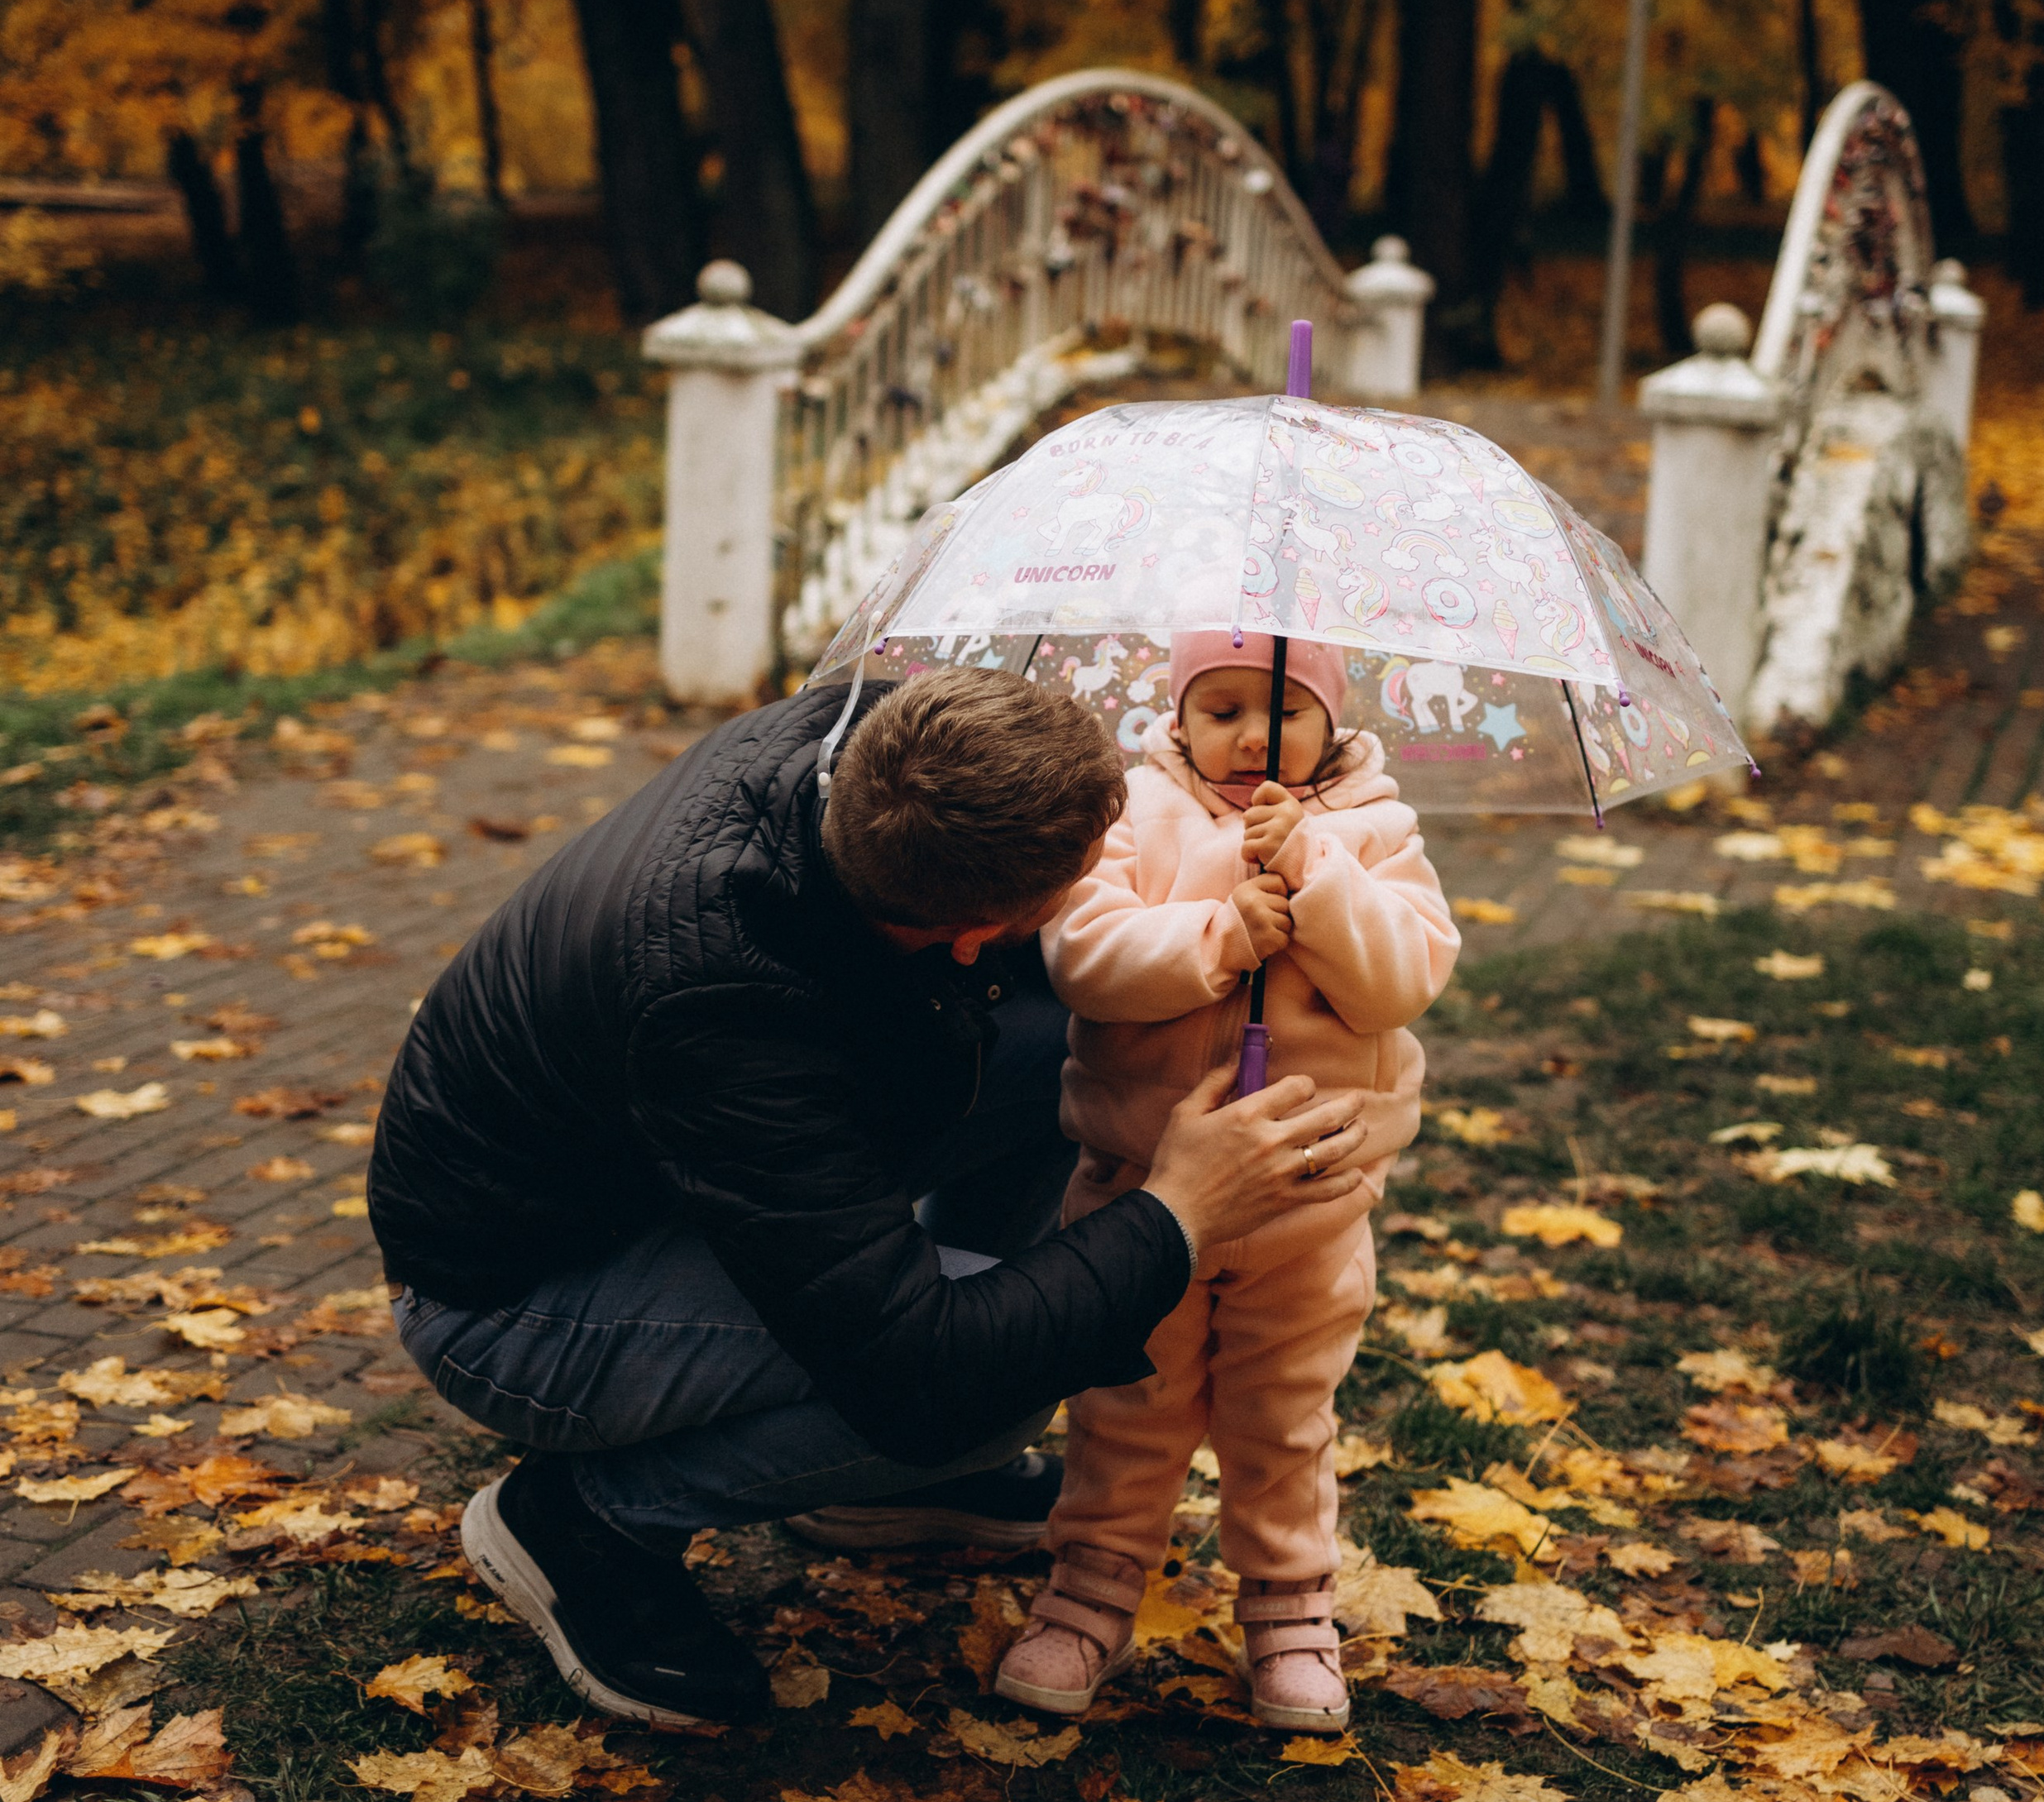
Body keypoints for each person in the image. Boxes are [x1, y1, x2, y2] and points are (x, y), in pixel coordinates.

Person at [366, 665, 1375, 1730]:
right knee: (992, 1385)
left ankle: (882, 1486)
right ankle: (585, 1521)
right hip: (513, 1299)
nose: (1100, 882)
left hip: (660, 1172)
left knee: (1064, 1056)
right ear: (976, 934)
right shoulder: (726, 1006)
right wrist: (1179, 1207)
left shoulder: (880, 738)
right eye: (1085, 878)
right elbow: (920, 1362)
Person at [995, 633, 1459, 1737]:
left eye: (1282, 709)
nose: (1251, 734)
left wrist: (1316, 869)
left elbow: (1399, 980)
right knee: (1125, 1401)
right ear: (1181, 718)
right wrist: (1218, 929)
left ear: (1331, 723)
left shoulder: (1377, 832)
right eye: (1219, 708)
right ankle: (1093, 1586)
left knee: (1282, 1414)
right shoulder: (1133, 817)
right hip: (1143, 1191)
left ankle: (1290, 1613)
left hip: (1307, 1199)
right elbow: (1086, 959)